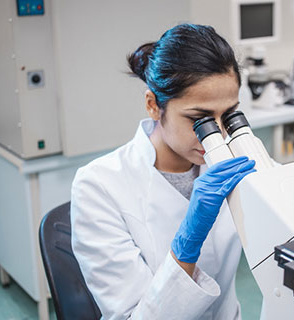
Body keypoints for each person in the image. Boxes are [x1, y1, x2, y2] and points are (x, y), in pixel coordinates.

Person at [70, 24, 256, 320]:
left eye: (228, 115)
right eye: (199, 119)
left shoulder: (228, 161)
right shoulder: (98, 186)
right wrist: (188, 241)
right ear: (153, 105)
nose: (217, 134)